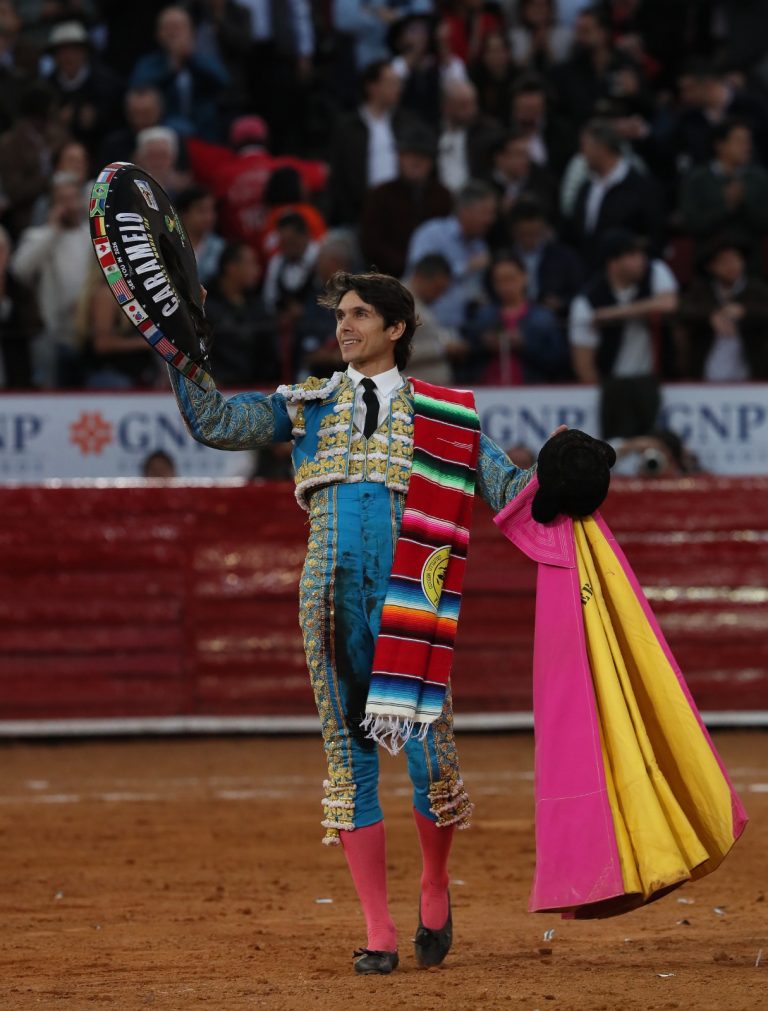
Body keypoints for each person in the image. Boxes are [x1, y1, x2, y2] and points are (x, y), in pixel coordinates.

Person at [167, 268, 583, 975]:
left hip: (410, 599)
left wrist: (564, 469)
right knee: (349, 757)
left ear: (396, 329)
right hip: (326, 599)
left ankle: (432, 881)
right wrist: (180, 348)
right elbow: (215, 422)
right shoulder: (306, 405)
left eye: (359, 314)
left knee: (429, 759)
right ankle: (378, 928)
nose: (343, 326)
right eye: (340, 316)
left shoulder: (443, 418)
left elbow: (510, 490)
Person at [569, 229, 678, 439]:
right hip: (613, 387)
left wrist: (613, 314)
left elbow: (669, 303)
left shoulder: (655, 271)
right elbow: (584, 364)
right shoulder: (587, 301)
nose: (641, 260)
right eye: (632, 255)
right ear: (613, 263)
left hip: (652, 381)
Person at [10, 170, 91, 387]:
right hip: (51, 332)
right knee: (51, 389)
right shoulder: (39, 236)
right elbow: (20, 269)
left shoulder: (91, 236)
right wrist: (53, 229)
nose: (70, 205)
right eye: (63, 200)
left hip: (87, 330)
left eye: (74, 198)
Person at [327, 58, 417, 227]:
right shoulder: (348, 127)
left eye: (399, 83)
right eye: (391, 83)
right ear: (372, 87)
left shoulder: (406, 123)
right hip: (358, 215)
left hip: (400, 212)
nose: (398, 89)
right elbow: (339, 175)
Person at [567, 118, 664, 268]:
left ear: (601, 148)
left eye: (585, 146)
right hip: (590, 276)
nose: (582, 153)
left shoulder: (641, 187)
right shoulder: (586, 188)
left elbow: (654, 236)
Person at [360, 125, 452, 279]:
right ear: (399, 158)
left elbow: (449, 240)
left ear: (431, 162)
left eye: (422, 156)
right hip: (387, 277)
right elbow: (371, 243)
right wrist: (405, 266)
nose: (416, 161)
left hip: (434, 279)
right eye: (409, 155)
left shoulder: (443, 196)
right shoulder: (381, 194)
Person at [405, 179, 498, 330]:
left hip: (465, 327)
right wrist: (466, 266)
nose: (490, 220)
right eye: (485, 213)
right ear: (465, 211)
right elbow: (419, 276)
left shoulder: (480, 245)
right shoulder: (431, 233)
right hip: (426, 325)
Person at [129, 5, 230, 142]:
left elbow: (223, 81)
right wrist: (171, 67)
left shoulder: (203, 59)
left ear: (191, 32)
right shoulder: (149, 63)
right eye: (168, 28)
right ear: (158, 34)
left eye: (177, 28)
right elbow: (138, 88)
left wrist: (191, 59)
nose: (173, 34)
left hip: (206, 128)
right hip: (164, 128)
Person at [676, 235, 768, 382]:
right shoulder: (701, 290)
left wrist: (745, 311)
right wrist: (710, 316)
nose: (732, 266)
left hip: (750, 375)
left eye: (736, 260)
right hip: (706, 373)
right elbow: (681, 311)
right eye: (724, 262)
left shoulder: (756, 289)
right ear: (711, 266)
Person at [679, 119, 768, 269]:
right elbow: (692, 222)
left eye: (748, 142)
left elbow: (764, 222)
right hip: (706, 261)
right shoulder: (697, 179)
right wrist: (726, 206)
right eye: (739, 141)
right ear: (720, 144)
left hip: (751, 264)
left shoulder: (759, 178)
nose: (746, 147)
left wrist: (743, 202)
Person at [467, 251, 567, 384]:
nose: (506, 286)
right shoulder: (483, 316)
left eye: (511, 279)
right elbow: (468, 355)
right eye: (499, 281)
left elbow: (558, 359)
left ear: (524, 277)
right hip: (488, 390)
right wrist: (484, 344)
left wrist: (525, 344)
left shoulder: (543, 317)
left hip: (532, 391)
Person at [203, 241, 280, 386]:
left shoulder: (258, 307)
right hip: (217, 389)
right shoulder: (206, 306)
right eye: (251, 263)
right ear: (231, 267)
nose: (257, 270)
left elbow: (270, 355)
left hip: (255, 389)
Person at [507, 198, 585, 321]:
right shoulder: (505, 258)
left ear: (543, 229)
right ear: (514, 232)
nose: (529, 239)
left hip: (552, 320)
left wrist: (562, 302)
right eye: (524, 234)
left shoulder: (563, 257)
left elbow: (580, 292)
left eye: (534, 234)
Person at [404, 252, 469, 385]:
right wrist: (442, 349)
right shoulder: (399, 302)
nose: (439, 296)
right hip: (411, 394)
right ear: (420, 278)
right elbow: (390, 353)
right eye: (437, 288)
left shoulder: (422, 303)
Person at [175, 185, 226, 285]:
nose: (209, 217)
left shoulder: (221, 247)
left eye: (212, 210)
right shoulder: (170, 245)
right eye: (201, 211)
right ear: (183, 214)